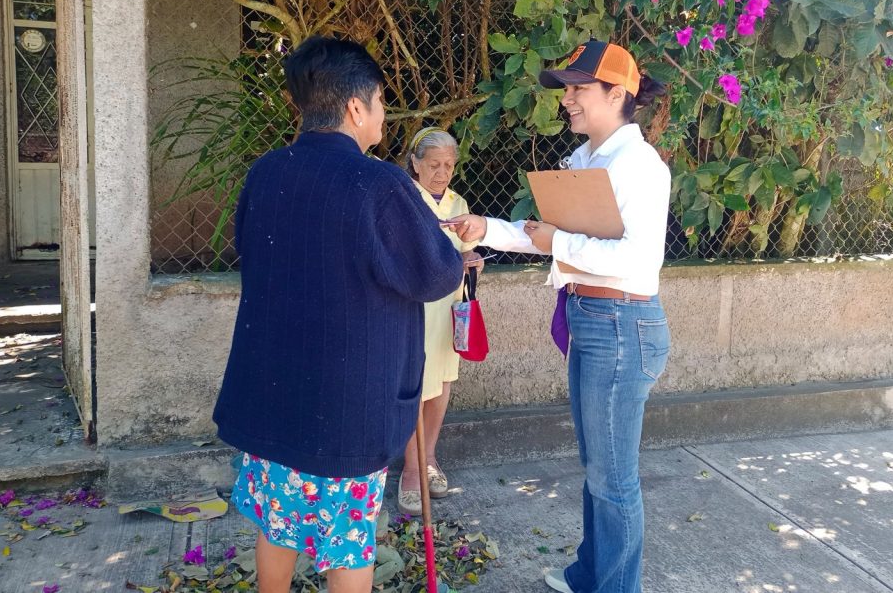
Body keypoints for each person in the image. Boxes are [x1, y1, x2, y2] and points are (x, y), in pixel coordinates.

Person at [213, 36, 464, 593]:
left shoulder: (265, 173)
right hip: (348, 406)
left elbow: (253, 252)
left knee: (278, 523)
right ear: (356, 107)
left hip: (273, 394)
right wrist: (445, 242)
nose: (382, 113)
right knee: (348, 541)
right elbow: (436, 275)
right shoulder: (379, 184)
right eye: (379, 100)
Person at [450, 40, 671, 593]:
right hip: (594, 319)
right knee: (598, 468)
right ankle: (591, 575)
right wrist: (486, 229)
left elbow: (637, 259)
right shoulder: (588, 159)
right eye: (566, 88)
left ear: (616, 94)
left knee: (613, 478)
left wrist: (561, 242)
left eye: (578, 87)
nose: (567, 98)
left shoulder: (639, 165)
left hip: (621, 325)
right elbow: (545, 237)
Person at [396, 127, 485, 515]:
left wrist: (473, 260)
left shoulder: (456, 201)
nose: (442, 173)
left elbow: (468, 249)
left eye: (449, 165)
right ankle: (411, 471)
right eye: (434, 164)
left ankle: (429, 457)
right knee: (416, 386)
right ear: (415, 164)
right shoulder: (403, 199)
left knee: (443, 382)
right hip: (416, 309)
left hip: (449, 308)